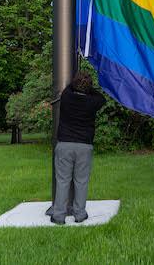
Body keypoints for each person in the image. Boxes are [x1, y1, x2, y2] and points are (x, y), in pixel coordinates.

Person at [50, 71, 106, 225]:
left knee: (62, 181)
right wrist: (89, 88)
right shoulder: (93, 102)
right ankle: (79, 214)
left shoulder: (67, 97)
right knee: (81, 181)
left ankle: (59, 216)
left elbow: (68, 87)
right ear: (89, 87)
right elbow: (102, 99)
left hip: (65, 144)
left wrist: (78, 84)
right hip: (84, 146)